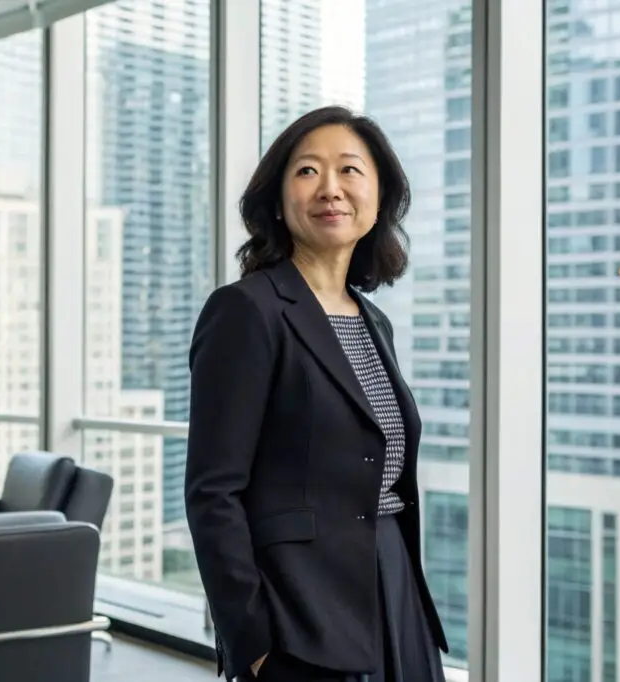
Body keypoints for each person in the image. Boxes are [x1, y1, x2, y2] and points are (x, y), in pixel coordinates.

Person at [184, 105, 449, 682]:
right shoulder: (246, 311)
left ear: (379, 199)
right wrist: (252, 640)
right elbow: (213, 492)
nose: (330, 188)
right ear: (278, 201)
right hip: (297, 613)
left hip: (393, 589)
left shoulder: (373, 319)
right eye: (307, 172)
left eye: (350, 170)